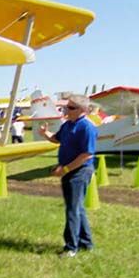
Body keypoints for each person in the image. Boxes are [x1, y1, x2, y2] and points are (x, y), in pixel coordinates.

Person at [37, 94, 97, 258]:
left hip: (80, 171)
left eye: (70, 108)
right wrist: (45, 133)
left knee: (73, 209)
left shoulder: (87, 127)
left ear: (82, 110)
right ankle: (86, 243)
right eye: (66, 107)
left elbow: (86, 155)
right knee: (78, 208)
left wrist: (64, 170)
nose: (66, 110)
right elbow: (57, 140)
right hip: (70, 171)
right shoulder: (68, 125)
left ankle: (71, 247)